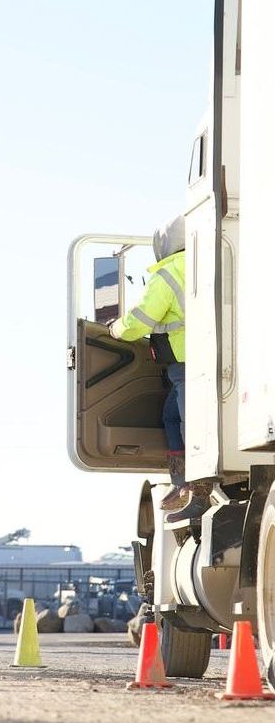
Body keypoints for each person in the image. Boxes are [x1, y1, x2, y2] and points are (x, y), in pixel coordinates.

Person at [109, 216, 212, 522]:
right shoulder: (209, 263)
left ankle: (197, 490)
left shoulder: (167, 273)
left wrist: (115, 329)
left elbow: (141, 318)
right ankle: (182, 485)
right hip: (210, 358)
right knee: (173, 416)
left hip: (186, 361)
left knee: (187, 423)